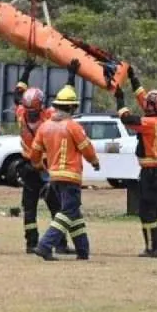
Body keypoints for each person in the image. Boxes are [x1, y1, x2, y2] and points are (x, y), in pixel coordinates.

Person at [29, 85, 100, 261]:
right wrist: (95, 162)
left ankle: (83, 250)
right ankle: (45, 245)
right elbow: (87, 149)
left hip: (54, 178)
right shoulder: (73, 127)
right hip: (71, 176)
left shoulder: (44, 127)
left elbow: (34, 154)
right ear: (71, 108)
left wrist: (39, 165)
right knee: (68, 212)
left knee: (73, 213)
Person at [115, 67, 157, 257]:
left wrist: (119, 98)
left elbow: (126, 118)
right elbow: (143, 98)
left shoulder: (149, 123)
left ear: (154, 107)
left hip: (151, 172)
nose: (145, 104)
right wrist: (133, 78)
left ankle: (152, 248)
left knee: (146, 210)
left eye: (149, 103)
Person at [15, 87, 71, 255]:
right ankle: (60, 243)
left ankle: (31, 244)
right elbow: (63, 109)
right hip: (44, 167)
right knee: (56, 207)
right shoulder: (47, 116)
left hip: (28, 166)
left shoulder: (20, 115)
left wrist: (26, 71)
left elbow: (16, 95)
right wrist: (70, 78)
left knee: (30, 208)